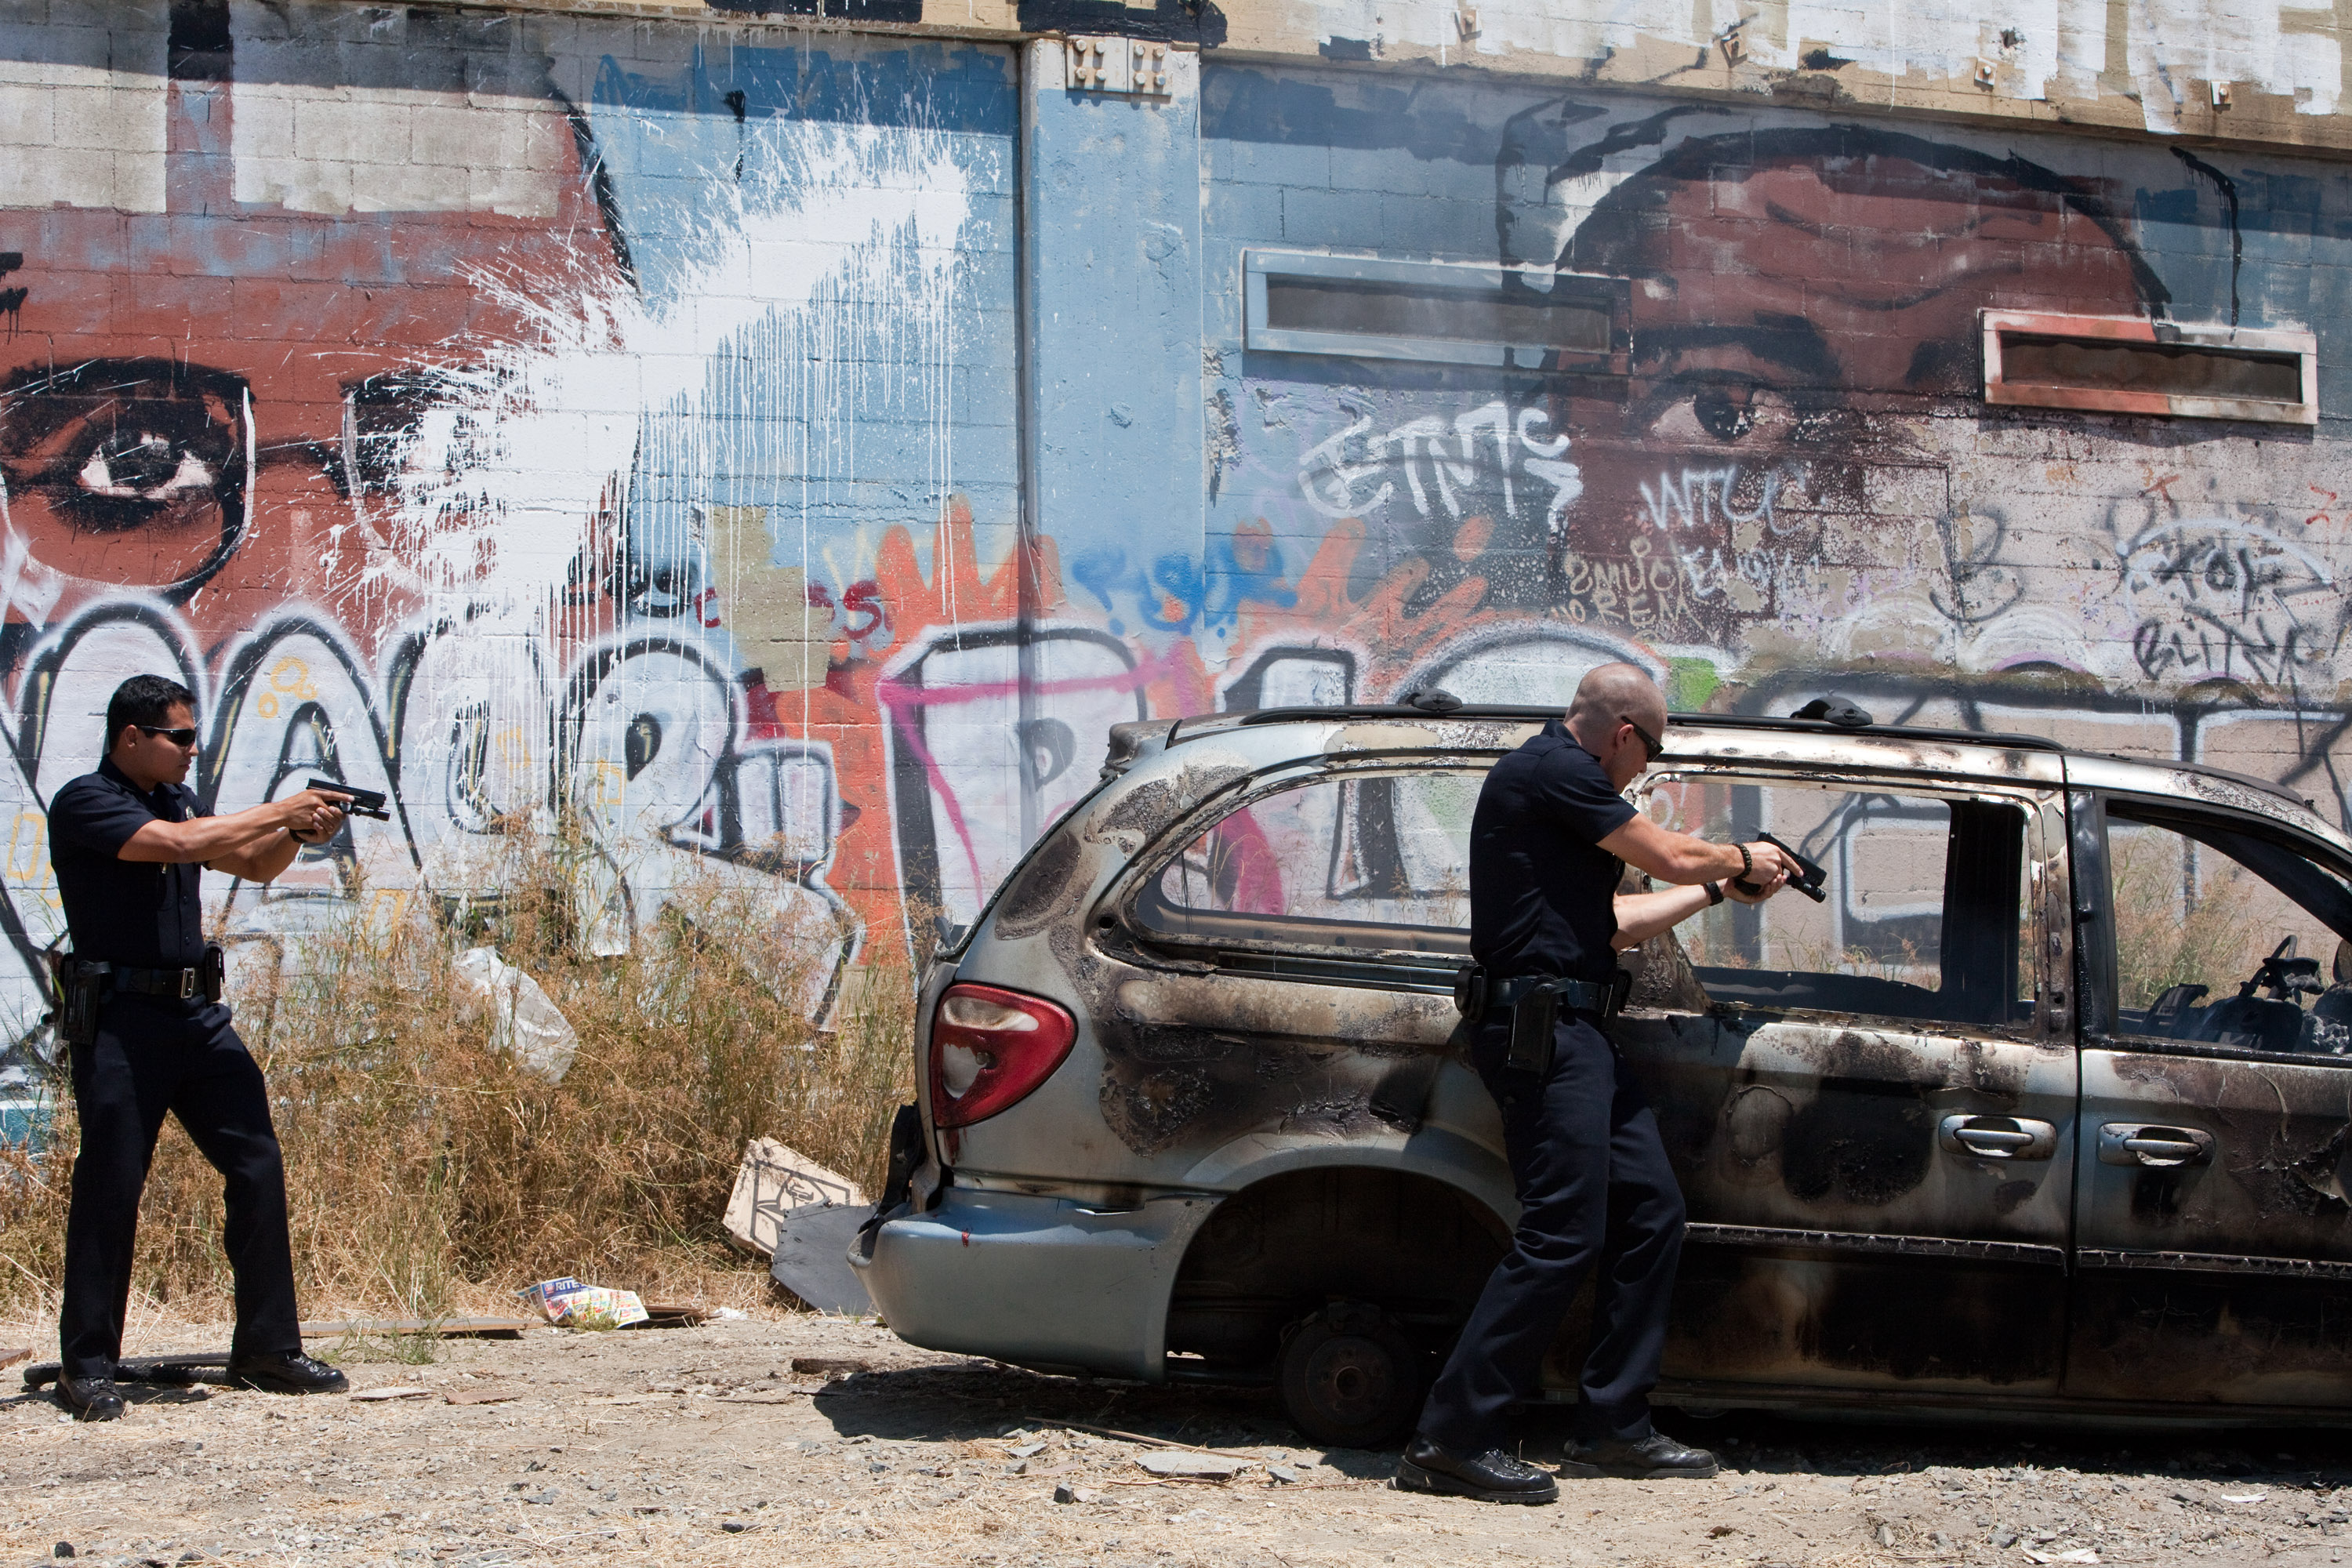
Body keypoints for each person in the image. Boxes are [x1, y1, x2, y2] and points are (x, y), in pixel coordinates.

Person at [1396, 662, 1797, 1504]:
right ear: (1624, 734)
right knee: (1562, 1232)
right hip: (1541, 1031)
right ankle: (1453, 1436)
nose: (1642, 771)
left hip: (1577, 1026)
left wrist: (1719, 887)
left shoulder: (1562, 796)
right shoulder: (1555, 770)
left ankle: (1612, 1423)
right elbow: (1667, 851)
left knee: (1652, 1210)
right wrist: (1738, 854)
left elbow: (1612, 924)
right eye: (1647, 753)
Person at [45, 674, 358, 1421]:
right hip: (122, 1022)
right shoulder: (87, 802)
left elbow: (248, 864)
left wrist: (297, 835)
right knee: (112, 1185)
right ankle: (86, 1366)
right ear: (131, 739)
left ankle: (268, 1350)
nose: (192, 749)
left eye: (193, 736)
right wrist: (283, 806)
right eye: (179, 738)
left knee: (256, 1161)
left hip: (196, 1019)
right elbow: (184, 846)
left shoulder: (175, 801)